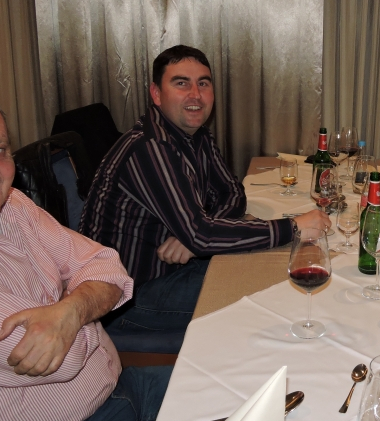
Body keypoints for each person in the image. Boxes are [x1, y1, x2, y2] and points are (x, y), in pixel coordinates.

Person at [0, 83, 171, 421]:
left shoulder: (13, 205)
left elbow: (109, 264)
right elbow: (62, 359)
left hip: (120, 390)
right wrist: (87, 299)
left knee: (249, 395)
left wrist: (69, 310)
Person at [79, 45, 330, 347]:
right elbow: (202, 234)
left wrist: (193, 236)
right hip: (129, 298)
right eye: (181, 83)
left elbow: (232, 193)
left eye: (203, 83)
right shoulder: (150, 148)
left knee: (273, 266)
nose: (195, 95)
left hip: (172, 270)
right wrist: (294, 226)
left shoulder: (196, 136)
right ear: (156, 94)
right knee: (272, 289)